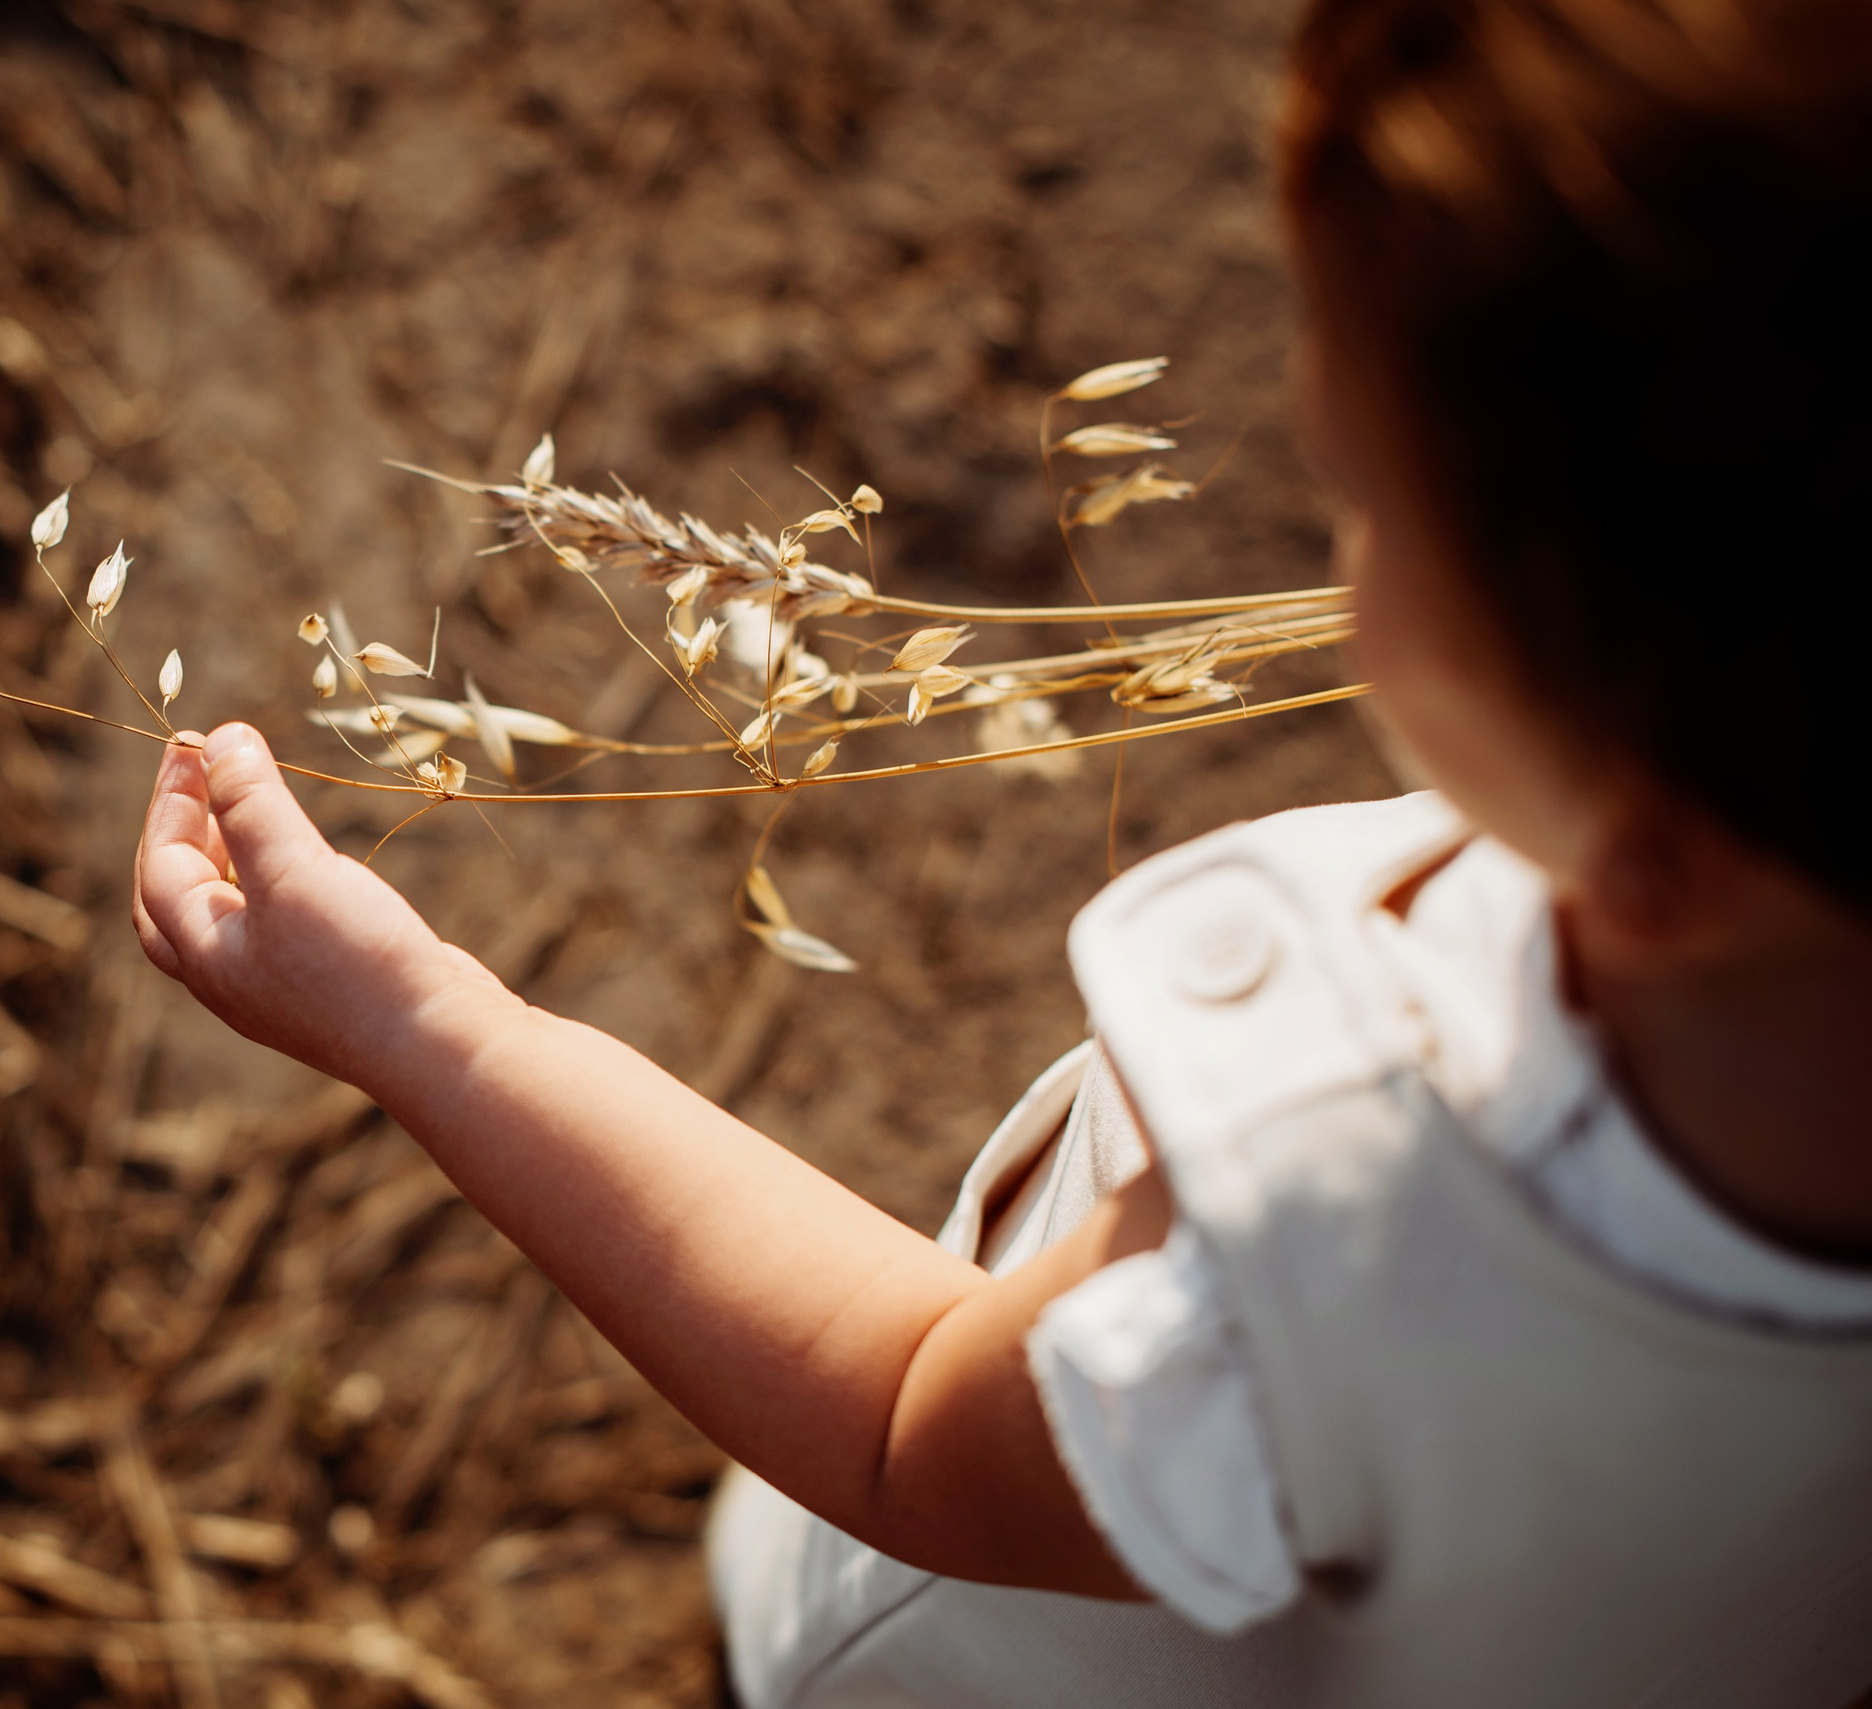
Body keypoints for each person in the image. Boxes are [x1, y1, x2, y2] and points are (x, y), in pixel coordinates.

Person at [129, 0, 1872, 1698]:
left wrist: (430, 1021)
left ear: (1655, 848)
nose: (1331, 582)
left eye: (1371, 510)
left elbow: (896, 1413)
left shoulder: (1356, 1217)